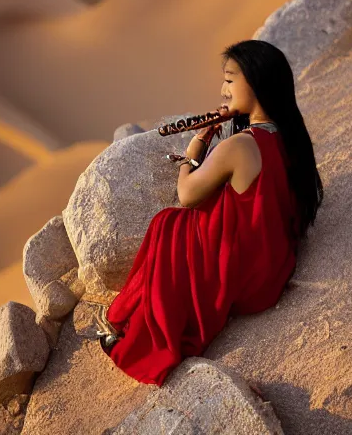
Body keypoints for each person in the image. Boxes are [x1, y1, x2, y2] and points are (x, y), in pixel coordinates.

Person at [99, 39, 324, 386]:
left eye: (230, 80)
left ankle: (138, 335)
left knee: (169, 225)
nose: (223, 89)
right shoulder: (289, 135)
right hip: (274, 266)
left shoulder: (239, 146)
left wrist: (195, 148)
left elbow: (187, 195)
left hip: (248, 283)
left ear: (256, 83)